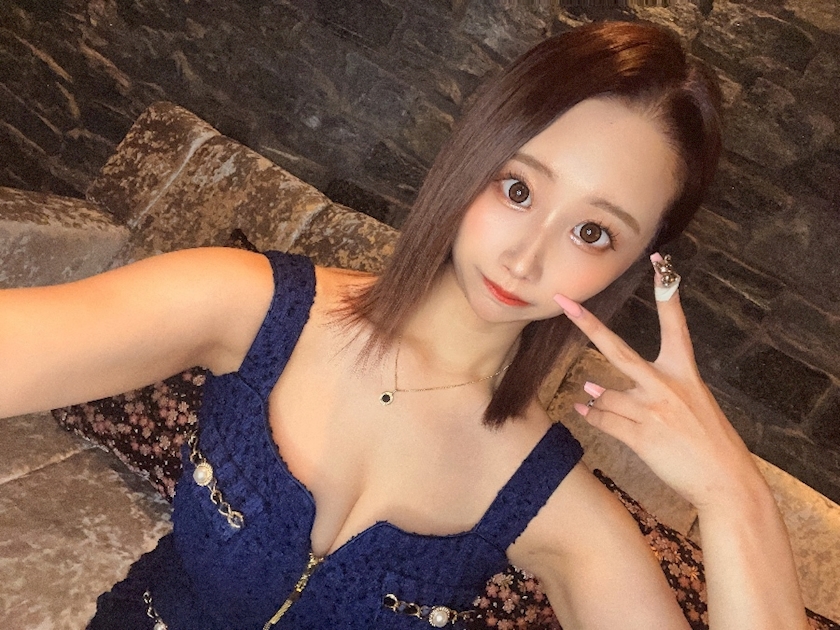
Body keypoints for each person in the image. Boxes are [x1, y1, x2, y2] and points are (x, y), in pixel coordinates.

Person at [0, 20, 809, 630]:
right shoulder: (245, 305)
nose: (526, 257)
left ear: (628, 265)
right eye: (518, 189)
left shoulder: (553, 505)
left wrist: (734, 494)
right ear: (473, 158)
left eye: (592, 232)